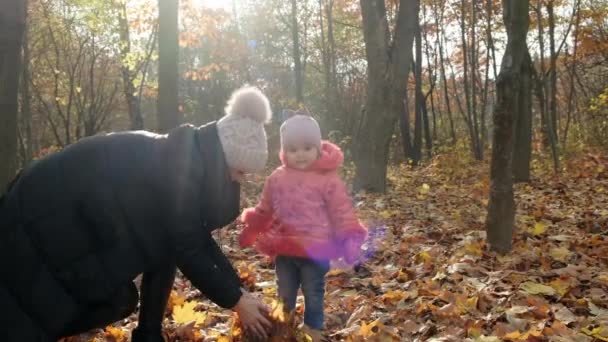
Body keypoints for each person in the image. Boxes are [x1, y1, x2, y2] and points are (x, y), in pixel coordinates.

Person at [0, 86, 274, 341]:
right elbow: (187, 248)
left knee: (114, 300)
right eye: (239, 171)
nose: (239, 181)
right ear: (222, 157)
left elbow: (182, 245)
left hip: (64, 219)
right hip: (43, 218)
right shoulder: (179, 169)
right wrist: (236, 301)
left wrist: (238, 292)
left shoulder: (182, 157)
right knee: (30, 307)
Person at [239, 110, 367, 341]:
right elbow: (264, 209)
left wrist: (349, 238)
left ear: (318, 148)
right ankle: (282, 327)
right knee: (285, 292)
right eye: (293, 149)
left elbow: (341, 212)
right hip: (285, 250)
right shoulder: (277, 178)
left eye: (307, 148)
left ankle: (313, 331)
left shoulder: (328, 179)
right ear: (284, 151)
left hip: (316, 250)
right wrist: (253, 228)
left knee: (313, 292)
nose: (300, 155)